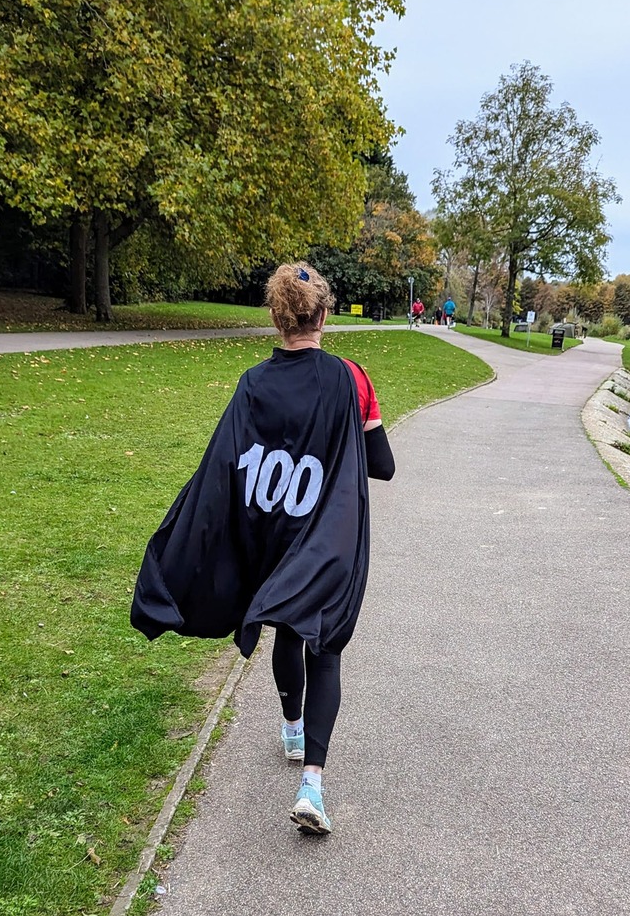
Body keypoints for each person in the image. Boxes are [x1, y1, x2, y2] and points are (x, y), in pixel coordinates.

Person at [131, 262, 395, 836]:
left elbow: (221, 470)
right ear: (324, 314)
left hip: (273, 536)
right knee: (324, 647)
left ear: (276, 319)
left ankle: (292, 727)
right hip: (324, 541)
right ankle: (313, 784)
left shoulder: (252, 384)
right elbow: (383, 466)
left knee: (285, 628)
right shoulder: (352, 379)